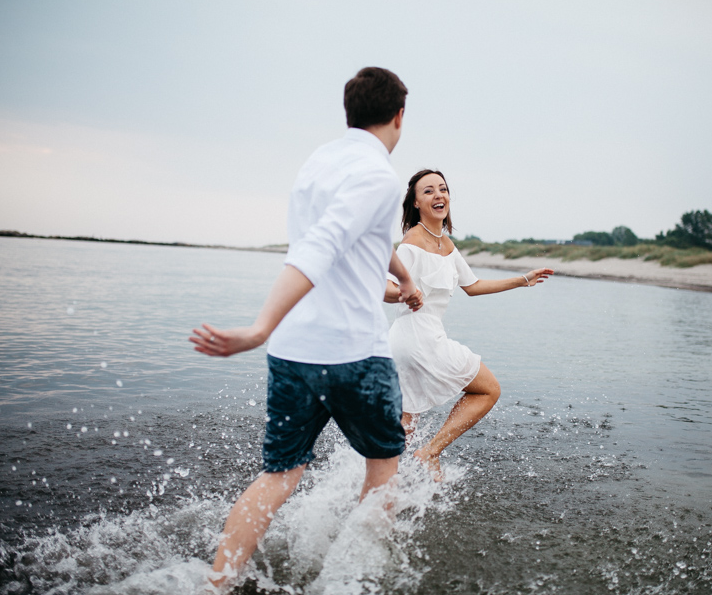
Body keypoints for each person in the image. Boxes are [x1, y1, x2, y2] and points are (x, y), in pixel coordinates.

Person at [189, 67, 422, 592]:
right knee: (385, 467)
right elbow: (321, 246)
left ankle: (216, 585)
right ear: (399, 116)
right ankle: (349, 584)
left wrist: (403, 278)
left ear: (350, 112)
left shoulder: (317, 162)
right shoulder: (381, 175)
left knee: (280, 474)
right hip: (354, 353)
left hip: (294, 354)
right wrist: (257, 327)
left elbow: (360, 236)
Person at [385, 169, 553, 480]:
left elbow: (472, 285)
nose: (439, 195)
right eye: (429, 191)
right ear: (417, 203)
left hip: (411, 342)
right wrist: (406, 295)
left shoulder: (444, 243)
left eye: (443, 189)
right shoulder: (412, 242)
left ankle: (383, 492)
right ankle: (430, 453)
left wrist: (522, 280)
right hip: (418, 339)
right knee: (488, 389)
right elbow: (384, 289)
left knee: (405, 425)